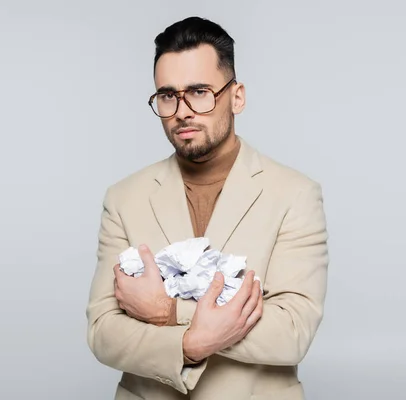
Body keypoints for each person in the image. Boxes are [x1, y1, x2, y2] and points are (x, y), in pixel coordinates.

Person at [85, 16, 329, 400]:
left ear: (237, 96)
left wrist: (168, 312)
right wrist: (192, 343)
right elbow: (103, 332)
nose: (182, 110)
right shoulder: (123, 198)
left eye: (199, 91)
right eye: (167, 95)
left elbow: (291, 334)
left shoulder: (295, 194)